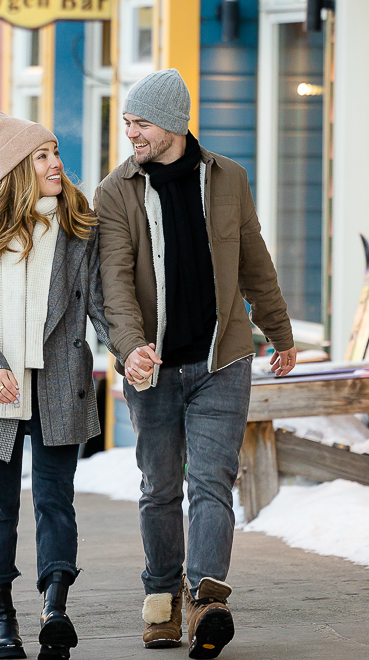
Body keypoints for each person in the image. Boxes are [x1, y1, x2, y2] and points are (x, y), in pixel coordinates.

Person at [94, 69, 296, 657]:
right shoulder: (116, 192)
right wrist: (131, 348)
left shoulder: (228, 178)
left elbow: (255, 259)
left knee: (212, 482)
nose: (130, 133)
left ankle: (207, 600)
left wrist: (278, 331)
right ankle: (161, 596)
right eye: (127, 122)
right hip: (152, 368)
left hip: (222, 359)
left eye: (140, 123)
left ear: (173, 124)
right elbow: (114, 284)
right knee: (160, 486)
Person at [0, 108, 113, 660]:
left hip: (61, 383)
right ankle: (0, 616)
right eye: (43, 155)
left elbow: (100, 306)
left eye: (56, 153)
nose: (56, 164)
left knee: (54, 501)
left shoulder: (78, 232)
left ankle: (55, 608)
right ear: (19, 167)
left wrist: (128, 351)